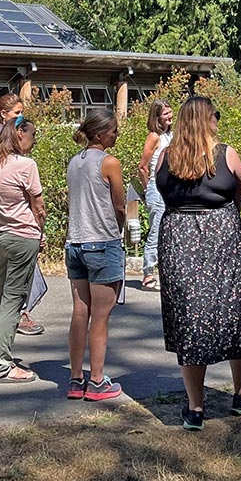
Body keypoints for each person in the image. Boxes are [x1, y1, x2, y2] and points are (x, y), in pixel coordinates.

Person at [156, 96, 241, 430]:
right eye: (215, 115)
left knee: (188, 315)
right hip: (222, 235)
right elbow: (240, 192)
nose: (218, 120)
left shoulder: (166, 156)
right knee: (234, 309)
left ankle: (195, 407)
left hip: (177, 238)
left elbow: (162, 195)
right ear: (207, 119)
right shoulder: (225, 153)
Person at [64, 109, 128, 402]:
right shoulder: (109, 162)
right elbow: (119, 204)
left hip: (75, 242)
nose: (116, 135)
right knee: (101, 317)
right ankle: (98, 380)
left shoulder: (74, 163)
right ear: (101, 134)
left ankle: (76, 378)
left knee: (80, 312)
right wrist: (122, 227)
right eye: (113, 131)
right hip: (102, 242)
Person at [0, 116, 47, 383]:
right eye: (32, 134)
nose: (33, 140)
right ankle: (3, 365)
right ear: (20, 133)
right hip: (22, 237)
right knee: (13, 302)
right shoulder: (25, 165)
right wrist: (41, 232)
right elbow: (38, 205)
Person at [0, 94, 44, 337]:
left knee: (0, 286)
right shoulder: (19, 160)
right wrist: (39, 230)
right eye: (17, 113)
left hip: (1, 228)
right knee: (10, 294)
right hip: (19, 229)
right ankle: (2, 360)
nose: (20, 118)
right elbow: (37, 203)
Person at [137, 100, 174, 291]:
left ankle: (165, 272)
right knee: (156, 231)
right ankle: (148, 274)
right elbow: (142, 166)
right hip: (156, 188)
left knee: (169, 231)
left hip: (170, 188)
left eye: (170, 112)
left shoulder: (171, 135)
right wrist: (148, 188)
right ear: (157, 117)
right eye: (165, 114)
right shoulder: (154, 137)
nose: (170, 116)